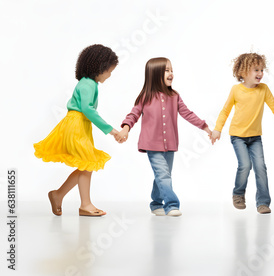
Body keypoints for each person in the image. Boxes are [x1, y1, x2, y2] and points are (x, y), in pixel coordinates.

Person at [117, 57, 211, 217]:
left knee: (163, 175)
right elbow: (134, 114)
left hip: (170, 145)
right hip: (151, 144)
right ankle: (172, 205)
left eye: (172, 70)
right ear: (154, 74)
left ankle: (155, 204)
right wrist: (125, 128)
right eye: (167, 70)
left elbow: (187, 113)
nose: (171, 73)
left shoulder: (174, 96)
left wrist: (204, 126)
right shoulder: (145, 96)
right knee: (163, 175)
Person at [34, 44, 120, 217]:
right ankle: (84, 204)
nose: (110, 75)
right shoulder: (88, 85)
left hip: (80, 126)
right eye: (109, 71)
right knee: (86, 164)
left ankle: (59, 195)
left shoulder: (88, 83)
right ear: (99, 68)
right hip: (76, 126)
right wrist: (111, 130)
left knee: (85, 166)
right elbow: (88, 110)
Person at [211, 52, 274, 214]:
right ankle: (238, 194)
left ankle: (263, 202)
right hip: (238, 137)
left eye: (262, 70)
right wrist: (217, 129)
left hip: (255, 137)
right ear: (243, 72)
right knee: (245, 165)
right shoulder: (236, 90)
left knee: (261, 167)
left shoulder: (263, 89)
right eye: (256, 70)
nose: (260, 73)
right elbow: (225, 111)